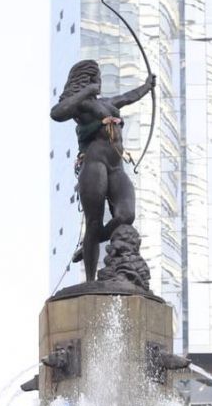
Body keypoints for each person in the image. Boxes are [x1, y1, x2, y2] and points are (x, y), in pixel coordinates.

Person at [50, 59, 155, 282]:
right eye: (95, 75)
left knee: (126, 215)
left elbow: (129, 97)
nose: (98, 80)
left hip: (117, 167)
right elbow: (57, 113)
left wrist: (147, 86)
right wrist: (86, 91)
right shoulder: (80, 106)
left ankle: (93, 240)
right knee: (94, 221)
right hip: (94, 164)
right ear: (86, 79)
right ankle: (89, 280)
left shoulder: (108, 102)